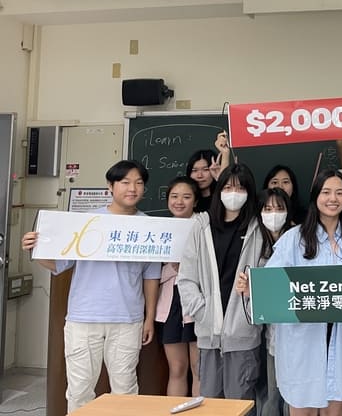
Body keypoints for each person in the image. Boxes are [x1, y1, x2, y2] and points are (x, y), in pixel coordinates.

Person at [21, 160, 161, 412]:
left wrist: (149, 317)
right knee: (80, 390)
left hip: (128, 319)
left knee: (126, 390)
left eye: (139, 183)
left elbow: (151, 276)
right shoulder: (86, 221)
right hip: (84, 318)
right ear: (110, 186)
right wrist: (35, 250)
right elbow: (59, 265)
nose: (132, 188)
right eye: (125, 182)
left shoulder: (148, 227)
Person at [265, 169, 342, 415]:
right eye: (326, 192)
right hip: (302, 341)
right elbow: (269, 289)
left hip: (341, 337)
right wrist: (251, 288)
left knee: (336, 407)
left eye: (340, 193)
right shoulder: (293, 239)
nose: (333, 199)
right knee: (302, 407)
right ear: (315, 196)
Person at [178, 164, 268, 409]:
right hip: (208, 335)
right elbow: (186, 278)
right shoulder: (202, 226)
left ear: (249, 192)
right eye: (228, 187)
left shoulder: (258, 229)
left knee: (240, 402)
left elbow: (267, 278)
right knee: (210, 402)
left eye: (240, 188)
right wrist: (202, 312)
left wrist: (250, 308)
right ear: (219, 191)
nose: (233, 193)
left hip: (243, 335)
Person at [156, 176, 202, 397]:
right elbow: (151, 271)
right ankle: (175, 411)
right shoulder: (159, 230)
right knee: (177, 368)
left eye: (186, 196)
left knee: (199, 369)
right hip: (170, 302)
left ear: (195, 200)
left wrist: (188, 266)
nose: (179, 202)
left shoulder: (204, 226)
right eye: (174, 196)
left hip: (197, 301)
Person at [254, 187, 294, 416]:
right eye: (267, 209)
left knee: (292, 394)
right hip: (264, 331)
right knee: (271, 392)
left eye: (279, 208)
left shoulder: (298, 239)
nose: (274, 214)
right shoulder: (254, 241)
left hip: (294, 331)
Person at [186, 131, 231, 213]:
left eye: (205, 169)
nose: (199, 175)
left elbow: (225, 183)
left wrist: (225, 154)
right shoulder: (186, 200)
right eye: (194, 170)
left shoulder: (224, 196)